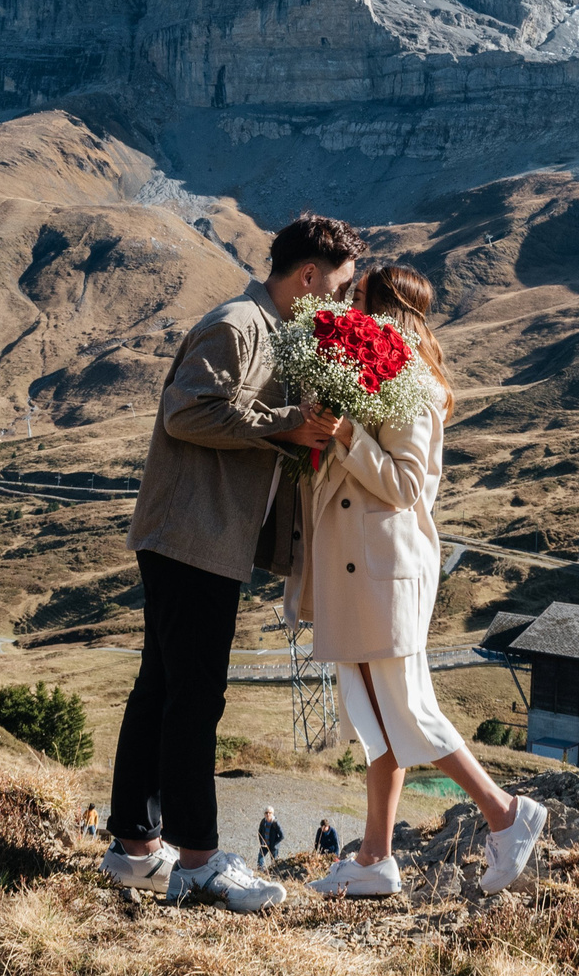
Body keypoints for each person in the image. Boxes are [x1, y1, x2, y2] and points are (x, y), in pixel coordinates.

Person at [102, 214, 360, 913]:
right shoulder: (239, 326)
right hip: (192, 536)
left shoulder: (267, 331)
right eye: (336, 289)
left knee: (161, 688)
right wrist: (283, 423)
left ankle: (135, 847)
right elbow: (186, 412)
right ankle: (197, 859)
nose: (339, 304)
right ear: (306, 276)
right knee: (195, 697)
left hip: (197, 536)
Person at [296, 265, 548, 899]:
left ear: (386, 311)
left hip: (384, 567)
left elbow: (407, 485)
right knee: (377, 717)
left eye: (360, 302)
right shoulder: (382, 376)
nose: (350, 313)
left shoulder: (410, 381)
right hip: (362, 569)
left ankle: (506, 814)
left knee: (406, 709)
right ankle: (376, 857)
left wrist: (345, 432)